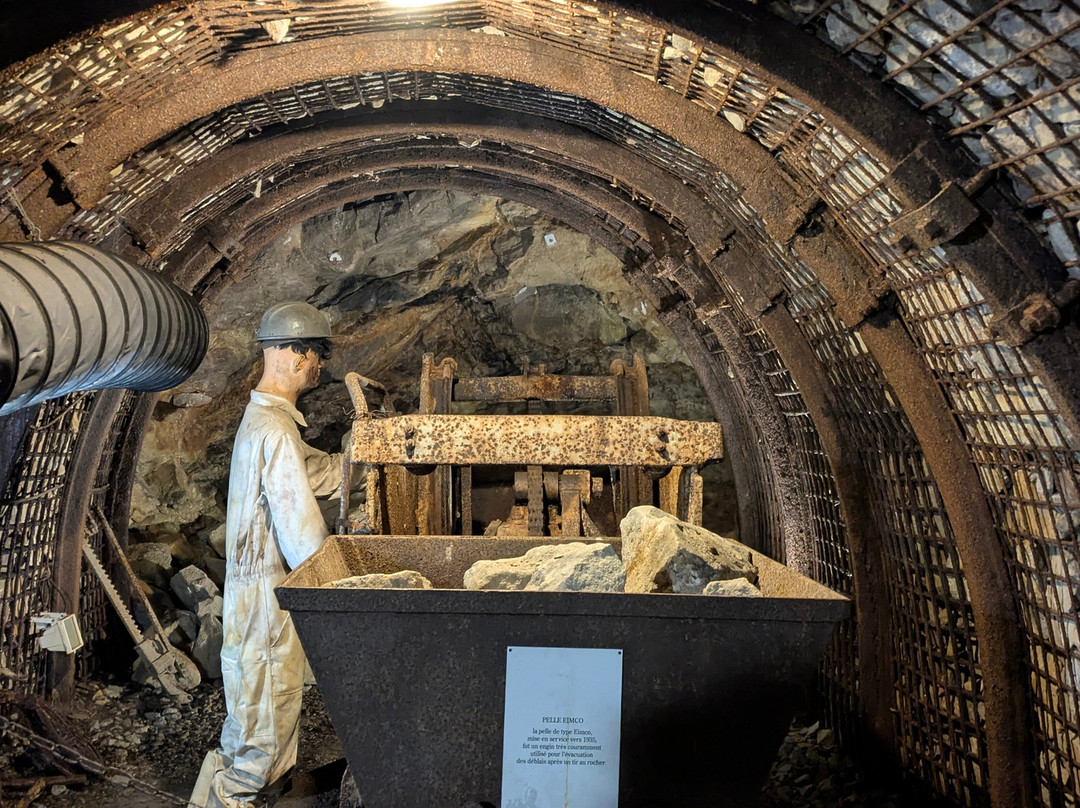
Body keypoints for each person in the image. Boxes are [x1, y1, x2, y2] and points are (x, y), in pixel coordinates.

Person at [190, 301, 343, 808]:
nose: (320, 366)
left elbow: (320, 473)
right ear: (293, 355)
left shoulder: (266, 423)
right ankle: (230, 802)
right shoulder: (275, 431)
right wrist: (344, 588)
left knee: (252, 722)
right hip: (268, 603)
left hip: (253, 595)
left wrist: (372, 457)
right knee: (263, 736)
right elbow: (303, 537)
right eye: (317, 354)